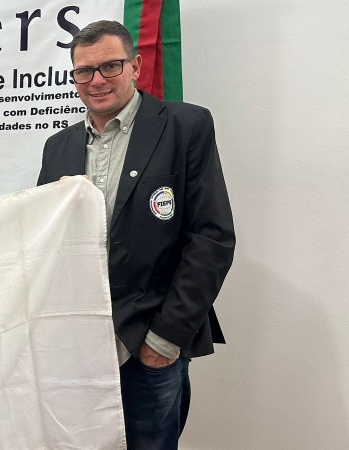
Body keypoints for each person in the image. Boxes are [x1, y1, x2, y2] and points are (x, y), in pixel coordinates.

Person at [37, 20, 235, 449]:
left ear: (135, 65)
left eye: (110, 66)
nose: (97, 81)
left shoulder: (186, 126)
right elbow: (44, 242)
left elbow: (211, 238)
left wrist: (162, 342)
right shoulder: (58, 148)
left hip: (149, 347)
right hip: (80, 350)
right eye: (84, 71)